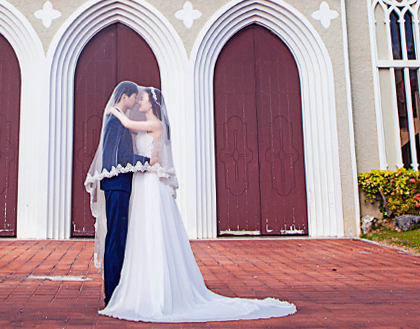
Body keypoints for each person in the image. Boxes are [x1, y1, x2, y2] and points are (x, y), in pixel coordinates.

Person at [100, 87, 296, 323]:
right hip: (141, 182)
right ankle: (138, 284)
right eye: (137, 97)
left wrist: (113, 110)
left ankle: (158, 290)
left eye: (142, 98)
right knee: (141, 233)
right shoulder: (144, 126)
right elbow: (128, 135)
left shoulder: (155, 125)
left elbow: (130, 127)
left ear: (151, 103)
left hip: (150, 183)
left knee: (154, 230)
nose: (138, 101)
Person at [84, 82, 150, 306]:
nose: (136, 101)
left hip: (119, 184)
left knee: (118, 236)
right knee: (115, 237)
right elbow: (120, 157)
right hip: (117, 184)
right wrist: (147, 162)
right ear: (124, 96)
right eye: (134, 97)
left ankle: (117, 288)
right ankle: (111, 293)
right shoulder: (115, 121)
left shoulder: (118, 119)